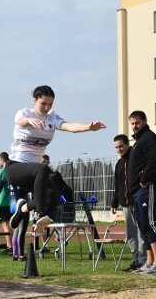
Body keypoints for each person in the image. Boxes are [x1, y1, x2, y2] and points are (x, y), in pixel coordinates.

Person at [7, 85, 105, 235]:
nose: (46, 107)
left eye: (50, 104)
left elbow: (69, 126)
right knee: (43, 168)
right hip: (16, 168)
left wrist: (88, 127)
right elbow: (20, 121)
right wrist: (29, 120)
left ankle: (24, 208)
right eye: (43, 104)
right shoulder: (24, 112)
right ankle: (39, 212)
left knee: (57, 192)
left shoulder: (52, 118)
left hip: (34, 176)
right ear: (35, 100)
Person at [127, 110, 156, 275]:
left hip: (148, 187)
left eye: (137, 123)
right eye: (133, 123)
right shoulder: (138, 141)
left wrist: (144, 178)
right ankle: (149, 263)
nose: (135, 126)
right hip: (137, 191)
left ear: (144, 121)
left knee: (150, 224)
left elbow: (154, 160)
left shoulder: (150, 138)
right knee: (143, 227)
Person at [111, 134, 146, 271]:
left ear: (127, 144)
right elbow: (117, 185)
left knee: (141, 231)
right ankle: (135, 259)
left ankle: (143, 260)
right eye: (116, 147)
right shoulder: (119, 164)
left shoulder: (135, 158)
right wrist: (114, 203)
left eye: (121, 146)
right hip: (125, 204)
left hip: (137, 200)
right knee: (131, 233)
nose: (119, 149)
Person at [0, 152, 13, 253]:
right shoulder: (12, 170)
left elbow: (0, 186)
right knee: (10, 224)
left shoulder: (3, 171)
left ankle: (9, 247)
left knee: (5, 224)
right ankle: (13, 246)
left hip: (4, 201)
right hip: (12, 201)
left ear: (2, 159)